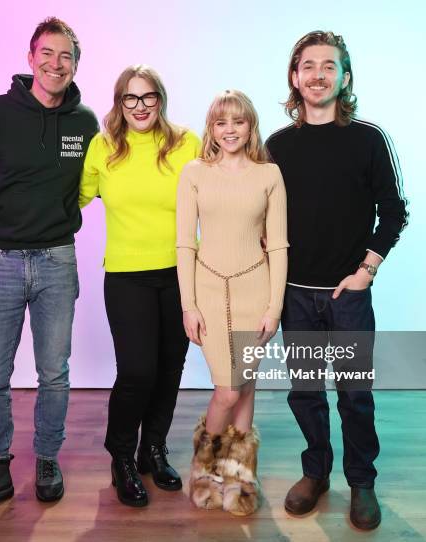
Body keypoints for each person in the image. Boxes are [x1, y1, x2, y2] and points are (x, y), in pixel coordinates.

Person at [0, 17, 98, 517]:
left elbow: (94, 183)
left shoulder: (85, 123)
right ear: (30, 58)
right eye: (47, 54)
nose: (56, 64)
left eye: (66, 56)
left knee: (54, 372)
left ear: (76, 66)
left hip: (57, 260)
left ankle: (47, 459)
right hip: (1, 261)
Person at [265, 31, 408, 530]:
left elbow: (394, 212)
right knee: (304, 392)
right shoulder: (276, 147)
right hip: (296, 296)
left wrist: (366, 270)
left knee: (354, 395)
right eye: (309, 66)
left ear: (345, 77)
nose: (318, 74)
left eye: (329, 66)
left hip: (348, 296)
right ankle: (317, 472)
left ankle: (362, 482)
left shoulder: (368, 139)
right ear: (294, 76)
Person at [79, 65, 200, 507]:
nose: (140, 106)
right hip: (127, 275)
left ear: (160, 99)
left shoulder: (187, 143)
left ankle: (154, 449)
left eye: (148, 97)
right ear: (119, 103)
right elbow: (70, 198)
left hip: (182, 273)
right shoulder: (103, 146)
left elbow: (216, 192)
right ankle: (122, 458)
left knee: (170, 369)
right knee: (137, 372)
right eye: (130, 98)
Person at [177, 90, 288, 516]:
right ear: (212, 128)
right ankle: (205, 468)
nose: (229, 130)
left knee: (245, 385)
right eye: (221, 122)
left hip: (254, 291)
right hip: (207, 291)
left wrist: (273, 307)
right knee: (227, 388)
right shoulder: (194, 173)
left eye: (238, 122)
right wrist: (189, 304)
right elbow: (185, 244)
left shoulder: (269, 175)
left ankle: (239, 478)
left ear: (250, 126)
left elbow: (278, 246)